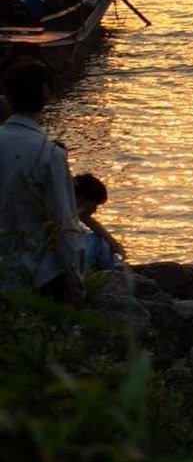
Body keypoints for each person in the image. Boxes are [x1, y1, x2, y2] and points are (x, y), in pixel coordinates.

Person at [0, 60, 84, 299]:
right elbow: (64, 221)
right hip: (35, 275)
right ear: (46, 96)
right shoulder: (49, 155)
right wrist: (76, 276)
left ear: (7, 94)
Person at [72, 172, 127, 271]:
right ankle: (115, 271)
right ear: (83, 200)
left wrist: (114, 244)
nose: (94, 210)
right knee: (99, 241)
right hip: (70, 263)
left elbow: (90, 222)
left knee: (102, 239)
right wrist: (114, 245)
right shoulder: (66, 213)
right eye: (94, 205)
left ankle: (113, 267)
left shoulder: (66, 205)